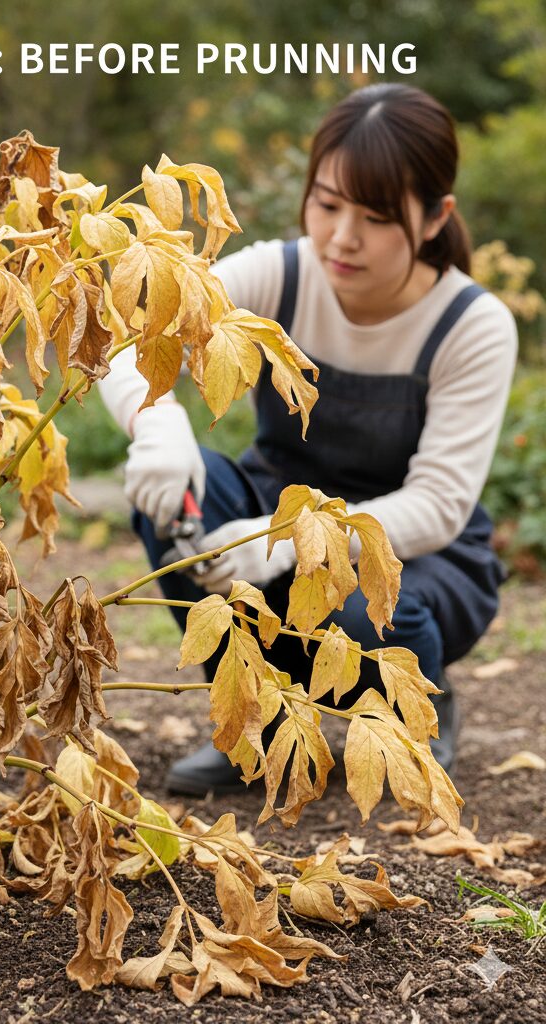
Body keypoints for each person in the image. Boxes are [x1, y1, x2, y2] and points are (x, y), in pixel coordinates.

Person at [97, 84, 518, 796]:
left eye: (376, 217)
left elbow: (440, 504)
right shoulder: (281, 273)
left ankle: (418, 711)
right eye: (327, 205)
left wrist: (291, 538)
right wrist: (159, 428)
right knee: (177, 498)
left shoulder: (470, 325)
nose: (341, 237)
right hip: (271, 505)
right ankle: (252, 722)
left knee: (358, 609)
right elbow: (135, 341)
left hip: (413, 560)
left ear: (434, 217)